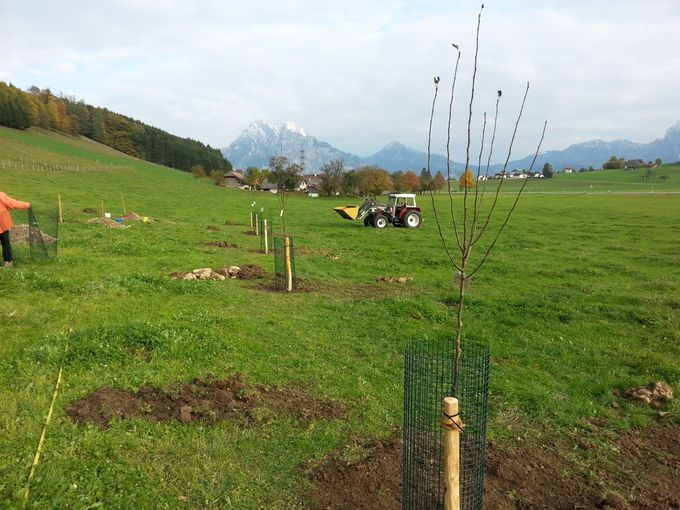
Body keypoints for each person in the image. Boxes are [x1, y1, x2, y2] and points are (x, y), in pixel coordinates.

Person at [0, 191, 31, 268]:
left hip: (3, 224)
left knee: (5, 242)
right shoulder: (1, 195)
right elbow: (12, 203)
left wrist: (25, 205)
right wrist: (26, 205)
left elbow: (11, 203)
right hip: (3, 224)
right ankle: (8, 262)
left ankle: (8, 262)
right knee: (5, 242)